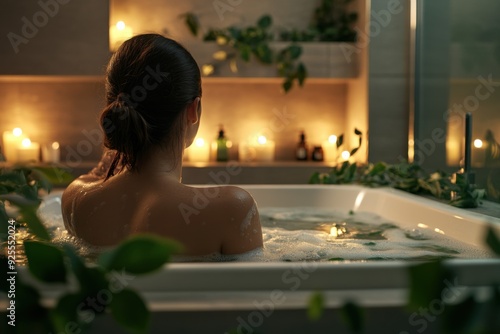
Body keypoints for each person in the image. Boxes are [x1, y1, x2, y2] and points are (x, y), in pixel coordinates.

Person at [61, 34, 263, 256]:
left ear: (114, 107)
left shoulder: (76, 201)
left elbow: (93, 178)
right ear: (193, 110)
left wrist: (115, 153)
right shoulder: (232, 210)